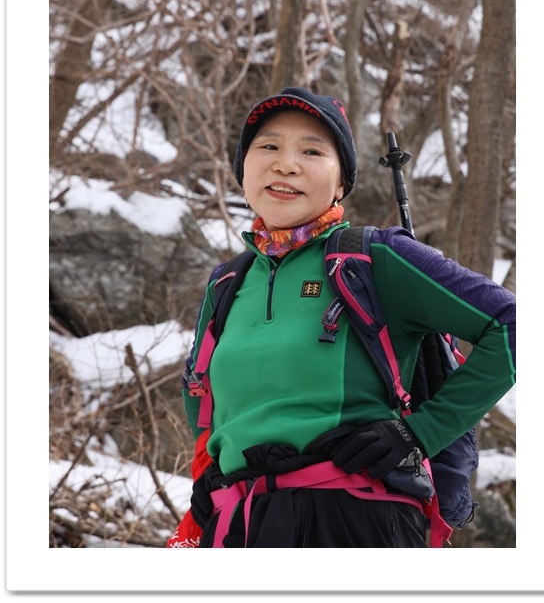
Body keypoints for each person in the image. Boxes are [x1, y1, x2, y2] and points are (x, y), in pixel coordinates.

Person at [172, 86, 516, 549]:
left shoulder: (376, 258)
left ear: (341, 183)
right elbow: (202, 402)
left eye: (312, 151)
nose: (286, 164)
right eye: (268, 146)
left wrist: (419, 433)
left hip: (355, 519)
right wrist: (210, 474)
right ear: (244, 169)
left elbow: (512, 322)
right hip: (239, 524)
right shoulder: (226, 284)